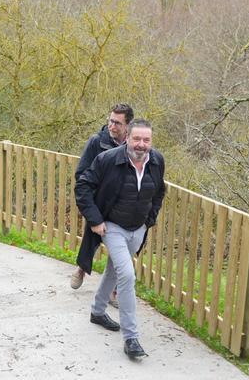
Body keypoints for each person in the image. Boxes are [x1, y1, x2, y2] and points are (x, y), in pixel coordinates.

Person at [75, 119, 165, 360]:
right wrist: (95, 220)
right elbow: (83, 186)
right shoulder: (108, 160)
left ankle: (97, 310)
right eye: (137, 138)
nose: (141, 144)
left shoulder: (157, 161)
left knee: (115, 270)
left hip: (138, 228)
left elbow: (159, 192)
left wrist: (149, 221)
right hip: (112, 226)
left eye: (146, 140)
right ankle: (131, 338)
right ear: (127, 137)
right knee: (127, 275)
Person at [71, 103, 133, 292]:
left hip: (122, 204)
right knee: (92, 236)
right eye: (110, 121)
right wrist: (92, 198)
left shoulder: (134, 145)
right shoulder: (97, 142)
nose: (112, 126)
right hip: (99, 201)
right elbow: (81, 173)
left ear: (127, 126)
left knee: (120, 248)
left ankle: (113, 290)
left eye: (117, 123)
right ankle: (82, 267)